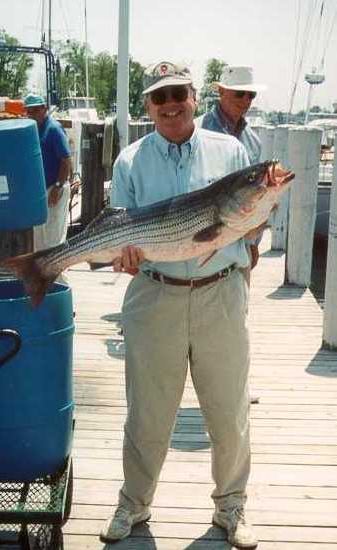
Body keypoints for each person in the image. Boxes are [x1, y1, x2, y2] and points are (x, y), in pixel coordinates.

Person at [99, 61, 259, 550]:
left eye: (178, 94)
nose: (169, 105)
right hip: (154, 292)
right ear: (147, 105)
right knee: (146, 411)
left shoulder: (230, 150)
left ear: (194, 97)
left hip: (221, 292)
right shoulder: (129, 160)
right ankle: (134, 502)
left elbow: (252, 224)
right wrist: (122, 256)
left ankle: (231, 507)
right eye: (159, 97)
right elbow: (121, 233)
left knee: (229, 410)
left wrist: (254, 223)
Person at [197, 66, 267, 272]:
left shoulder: (253, 141)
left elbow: (257, 197)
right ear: (221, 91)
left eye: (251, 95)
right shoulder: (196, 131)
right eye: (239, 93)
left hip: (239, 245)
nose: (246, 100)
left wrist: (253, 244)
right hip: (200, 238)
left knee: (239, 303)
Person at [23, 93, 72, 251]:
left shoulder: (53, 129)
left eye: (35, 110)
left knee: (53, 236)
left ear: (44, 109)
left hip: (55, 186)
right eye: (29, 111)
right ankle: (41, 272)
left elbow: (67, 161)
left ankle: (55, 272)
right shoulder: (32, 130)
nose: (32, 114)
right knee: (38, 236)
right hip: (40, 190)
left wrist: (57, 187)